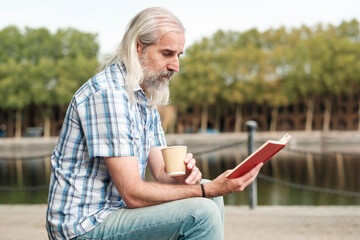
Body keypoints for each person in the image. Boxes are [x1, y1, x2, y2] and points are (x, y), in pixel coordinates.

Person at [46, 7, 263, 240]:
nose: (175, 66)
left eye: (179, 56)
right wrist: (204, 190)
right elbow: (132, 194)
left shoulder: (144, 99)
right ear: (138, 47)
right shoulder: (108, 94)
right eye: (167, 54)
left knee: (209, 197)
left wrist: (183, 178)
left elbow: (161, 172)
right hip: (83, 227)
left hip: (114, 213)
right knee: (202, 210)